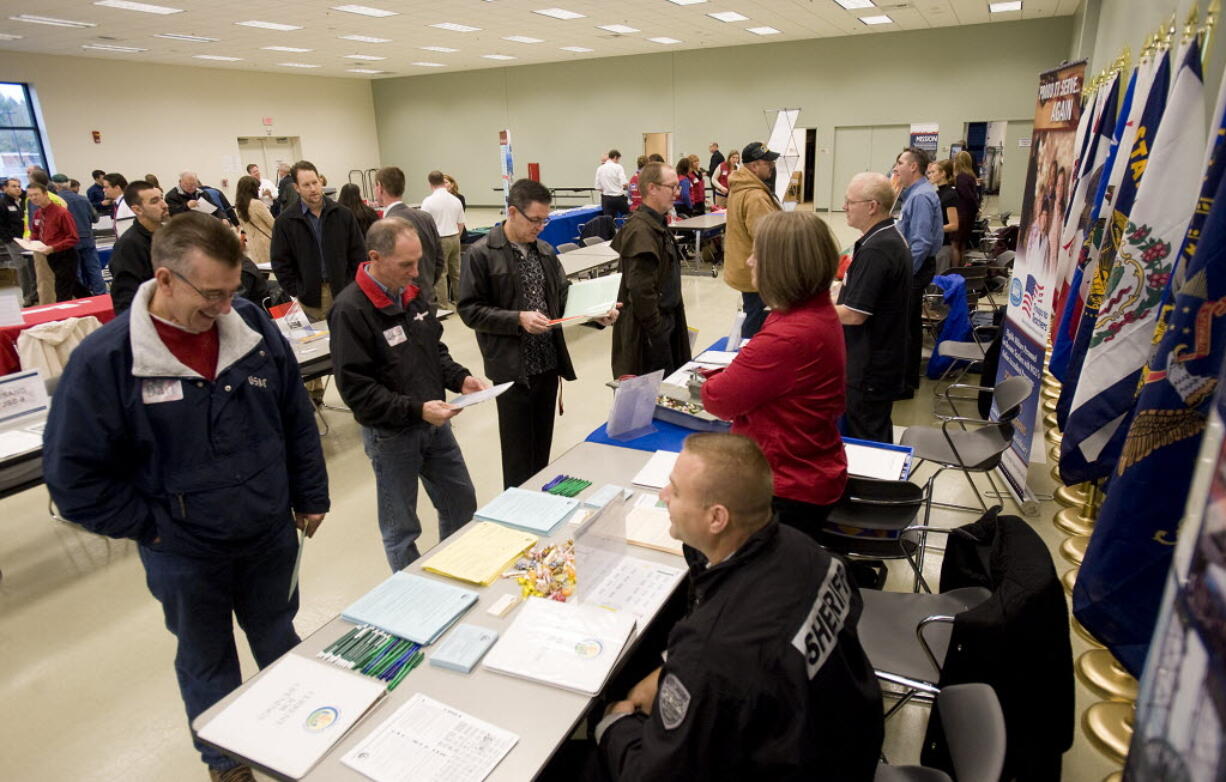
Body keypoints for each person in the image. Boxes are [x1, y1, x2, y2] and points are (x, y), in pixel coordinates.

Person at [43, 212, 329, 782]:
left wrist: (309, 492)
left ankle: (303, 740)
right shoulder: (105, 361)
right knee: (207, 660)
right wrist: (154, 528)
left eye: (232, 291)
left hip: (269, 533)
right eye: (212, 294)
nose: (225, 307)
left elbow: (294, 411)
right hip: (185, 552)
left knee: (280, 638)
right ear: (165, 279)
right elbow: (73, 479)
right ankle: (225, 762)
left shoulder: (248, 322)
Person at [593, 433, 883, 780]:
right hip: (843, 739)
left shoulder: (713, 649)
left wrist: (614, 724)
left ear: (717, 518)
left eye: (675, 490)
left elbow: (655, 775)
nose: (663, 496)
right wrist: (672, 672)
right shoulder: (807, 552)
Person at [330, 218, 484, 571]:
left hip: (434, 423)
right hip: (392, 434)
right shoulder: (351, 310)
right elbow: (357, 390)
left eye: (418, 261)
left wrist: (460, 379)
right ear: (375, 257)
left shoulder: (413, 295)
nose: (416, 272)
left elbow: (434, 350)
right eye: (406, 264)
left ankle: (458, 573)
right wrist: (416, 411)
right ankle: (413, 597)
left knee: (461, 501)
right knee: (401, 528)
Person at [459, 178, 617, 489]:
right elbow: (470, 310)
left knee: (541, 449)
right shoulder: (481, 255)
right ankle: (517, 511)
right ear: (513, 212)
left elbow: (564, 299)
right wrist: (517, 319)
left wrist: (597, 314)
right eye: (535, 220)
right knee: (518, 455)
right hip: (512, 370)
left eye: (545, 219)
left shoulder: (544, 250)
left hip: (547, 363)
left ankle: (539, 504)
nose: (541, 226)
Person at [701, 210, 847, 536]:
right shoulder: (811, 310)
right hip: (807, 468)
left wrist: (720, 379)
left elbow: (719, 399)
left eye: (758, 254)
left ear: (781, 265)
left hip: (786, 487)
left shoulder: (789, 335)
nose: (750, 261)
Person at [836, 173, 911, 443]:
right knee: (873, 426)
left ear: (871, 206)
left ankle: (874, 485)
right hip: (880, 357)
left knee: (867, 435)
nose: (844, 206)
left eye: (849, 201)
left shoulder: (877, 249)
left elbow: (855, 314)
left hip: (871, 365)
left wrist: (808, 311)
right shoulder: (884, 238)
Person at [611, 162, 691, 378]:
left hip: (662, 325)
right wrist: (659, 329)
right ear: (652, 188)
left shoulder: (655, 223)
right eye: (672, 187)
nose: (677, 193)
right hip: (647, 336)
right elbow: (640, 290)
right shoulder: (641, 230)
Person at [270, 159, 365, 323]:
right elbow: (280, 262)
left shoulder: (343, 214)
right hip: (311, 297)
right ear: (296, 188)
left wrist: (352, 284)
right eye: (306, 185)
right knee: (322, 345)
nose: (313, 189)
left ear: (321, 181)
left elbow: (358, 253)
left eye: (315, 182)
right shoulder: (285, 222)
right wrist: (298, 289)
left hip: (345, 291)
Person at [893, 147, 943, 397]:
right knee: (909, 324)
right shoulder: (915, 194)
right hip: (916, 266)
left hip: (916, 268)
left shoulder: (920, 197)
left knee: (904, 327)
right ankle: (907, 379)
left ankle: (904, 383)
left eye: (900, 162)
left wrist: (904, 273)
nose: (896, 168)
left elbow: (921, 242)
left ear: (913, 166)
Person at [725, 141, 781, 339]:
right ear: (755, 165)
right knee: (757, 318)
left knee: (752, 312)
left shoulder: (740, 187)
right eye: (768, 163)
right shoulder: (755, 196)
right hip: (758, 270)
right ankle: (750, 356)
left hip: (744, 265)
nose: (772, 166)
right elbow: (767, 238)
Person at [373, 166, 444, 312]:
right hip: (428, 298)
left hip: (402, 304)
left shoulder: (386, 225)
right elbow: (439, 259)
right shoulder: (426, 217)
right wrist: (427, 285)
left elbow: (383, 270)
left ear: (380, 187)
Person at [110, 181, 170, 314]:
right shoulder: (129, 246)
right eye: (155, 201)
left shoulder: (171, 235)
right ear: (137, 209)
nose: (164, 205)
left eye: (162, 198)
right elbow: (125, 300)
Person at [26, 183, 81, 302]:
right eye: (30, 195)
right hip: (48, 255)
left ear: (45, 194)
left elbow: (73, 237)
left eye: (36, 194)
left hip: (64, 255)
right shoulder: (38, 213)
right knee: (75, 286)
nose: (34, 198)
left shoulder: (61, 213)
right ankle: (92, 303)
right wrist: (31, 241)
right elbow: (36, 231)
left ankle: (62, 318)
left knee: (62, 291)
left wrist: (53, 247)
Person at [51, 173, 104, 296]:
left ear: (55, 185)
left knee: (75, 271)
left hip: (68, 240)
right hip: (87, 238)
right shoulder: (83, 199)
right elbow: (95, 218)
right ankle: (101, 294)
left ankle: (82, 296)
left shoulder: (55, 202)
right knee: (94, 269)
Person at [420, 170, 466, 308]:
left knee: (441, 274)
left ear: (430, 184)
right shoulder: (455, 199)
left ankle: (442, 305)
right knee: (456, 272)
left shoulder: (428, 201)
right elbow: (461, 223)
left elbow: (424, 224)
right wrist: (457, 236)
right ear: (442, 181)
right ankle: (460, 301)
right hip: (455, 237)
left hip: (440, 239)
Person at [0, 178, 34, 305]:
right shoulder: (3, 203)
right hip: (14, 241)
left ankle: (35, 294)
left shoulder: (24, 200)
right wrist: (10, 239)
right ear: (5, 188)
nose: (18, 188)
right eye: (14, 186)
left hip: (28, 239)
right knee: (23, 268)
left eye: (19, 186)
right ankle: (28, 297)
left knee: (32, 267)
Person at [926, 159, 961, 273]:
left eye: (933, 172)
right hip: (934, 243)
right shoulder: (937, 193)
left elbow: (954, 225)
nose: (930, 175)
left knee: (938, 283)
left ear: (943, 173)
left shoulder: (950, 195)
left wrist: (932, 229)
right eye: (929, 173)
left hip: (943, 246)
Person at [165, 171, 237, 226]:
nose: (192, 187)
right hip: (185, 229)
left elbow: (215, 208)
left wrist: (223, 218)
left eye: (194, 184)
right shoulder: (171, 196)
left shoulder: (202, 193)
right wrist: (186, 206)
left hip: (204, 226)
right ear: (180, 182)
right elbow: (172, 214)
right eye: (188, 185)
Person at [234, 175, 275, 267]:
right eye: (257, 188)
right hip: (266, 242)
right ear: (252, 189)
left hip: (252, 243)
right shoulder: (257, 204)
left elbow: (243, 226)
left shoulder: (238, 207)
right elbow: (272, 224)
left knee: (261, 271)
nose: (258, 190)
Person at [953, 150, 980, 263]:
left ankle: (954, 270)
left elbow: (967, 196)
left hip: (962, 215)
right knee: (962, 244)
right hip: (969, 215)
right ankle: (961, 268)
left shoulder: (961, 178)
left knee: (955, 245)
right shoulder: (970, 176)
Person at [595, 149, 630, 218]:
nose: (618, 161)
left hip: (606, 199)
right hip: (618, 198)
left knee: (608, 221)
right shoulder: (618, 167)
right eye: (618, 159)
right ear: (615, 157)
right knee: (629, 216)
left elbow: (598, 187)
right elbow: (624, 183)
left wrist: (607, 189)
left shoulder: (600, 168)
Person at [103, 172, 135, 240]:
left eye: (106, 187)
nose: (104, 190)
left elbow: (128, 229)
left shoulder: (126, 204)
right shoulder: (119, 203)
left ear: (117, 188)